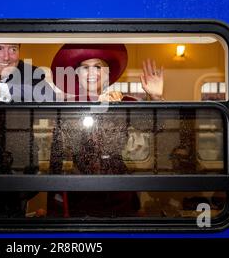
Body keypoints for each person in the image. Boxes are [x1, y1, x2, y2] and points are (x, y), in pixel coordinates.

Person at [48, 43, 164, 218]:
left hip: (120, 191)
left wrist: (156, 97)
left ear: (107, 74)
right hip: (80, 193)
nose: (92, 73)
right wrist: (97, 103)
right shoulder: (66, 107)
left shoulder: (123, 103)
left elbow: (156, 126)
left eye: (98, 67)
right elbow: (63, 148)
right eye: (85, 68)